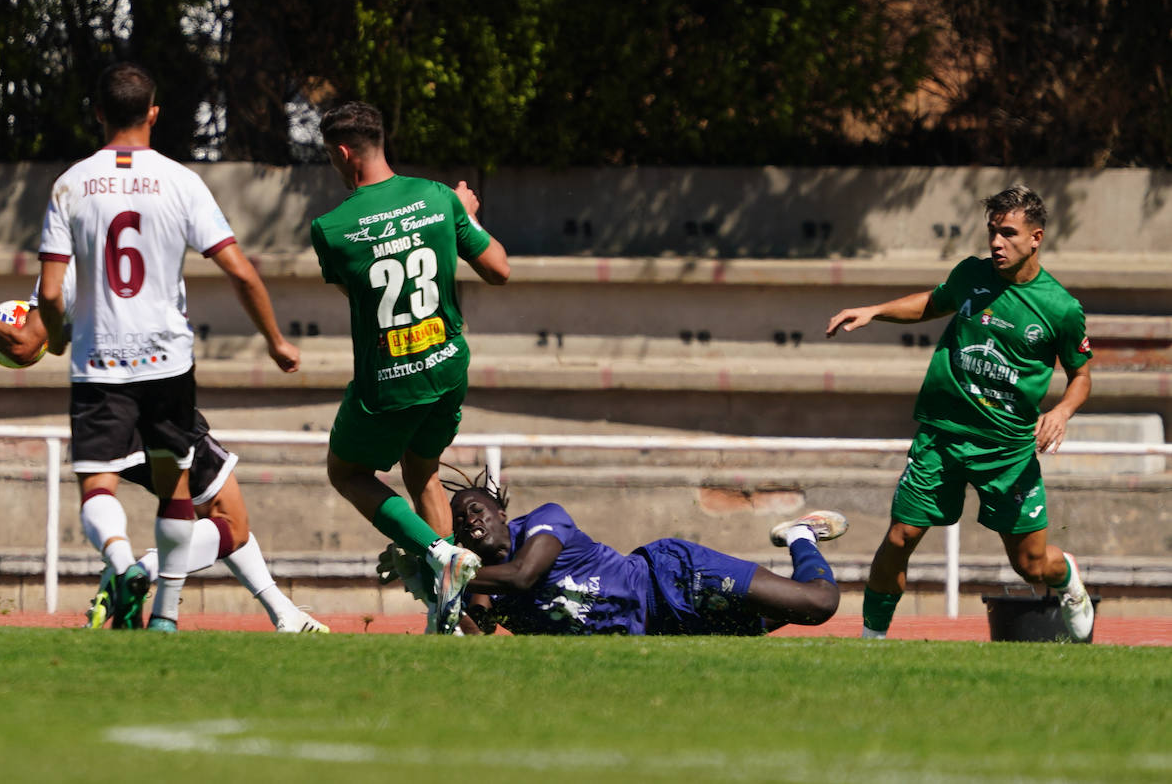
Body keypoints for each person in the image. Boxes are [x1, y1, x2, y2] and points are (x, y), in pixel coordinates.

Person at [36, 61, 300, 633]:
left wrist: (57, 338)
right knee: (177, 490)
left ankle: (123, 565)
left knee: (97, 486)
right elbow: (240, 271)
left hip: (99, 364)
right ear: (154, 113)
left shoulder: (70, 184)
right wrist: (276, 340)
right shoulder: (181, 181)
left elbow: (51, 293)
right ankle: (165, 619)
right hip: (167, 364)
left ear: (98, 112)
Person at [0, 262, 328, 633]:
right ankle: (139, 573)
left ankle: (282, 612)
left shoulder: (67, 258)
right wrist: (275, 339)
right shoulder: (161, 239)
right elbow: (238, 270)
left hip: (100, 405)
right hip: (161, 397)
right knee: (230, 520)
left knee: (107, 493)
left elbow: (29, 345)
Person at [826, 185, 1096, 641]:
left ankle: (1067, 575)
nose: (996, 242)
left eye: (1008, 233)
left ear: (1036, 238)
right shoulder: (972, 273)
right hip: (942, 436)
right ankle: (871, 643)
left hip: (1007, 450)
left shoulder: (1062, 308)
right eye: (992, 231)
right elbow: (933, 303)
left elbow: (1082, 376)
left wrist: (1063, 411)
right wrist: (875, 311)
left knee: (1031, 565)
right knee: (901, 537)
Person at [311, 101, 510, 634]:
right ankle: (449, 618)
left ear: (343, 153)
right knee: (422, 473)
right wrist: (465, 215)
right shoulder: (439, 198)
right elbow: (499, 269)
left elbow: (359, 289)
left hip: (390, 382)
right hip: (446, 367)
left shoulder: (330, 228)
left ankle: (440, 554)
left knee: (347, 473)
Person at [446, 481, 846, 636]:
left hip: (671, 579)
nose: (470, 520)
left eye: (477, 509)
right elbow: (479, 636)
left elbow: (523, 576)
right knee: (779, 614)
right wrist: (450, 603)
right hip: (665, 632)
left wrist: (446, 568)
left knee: (817, 604)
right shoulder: (481, 584)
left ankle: (800, 535)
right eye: (460, 520)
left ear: (501, 513)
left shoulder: (543, 521)